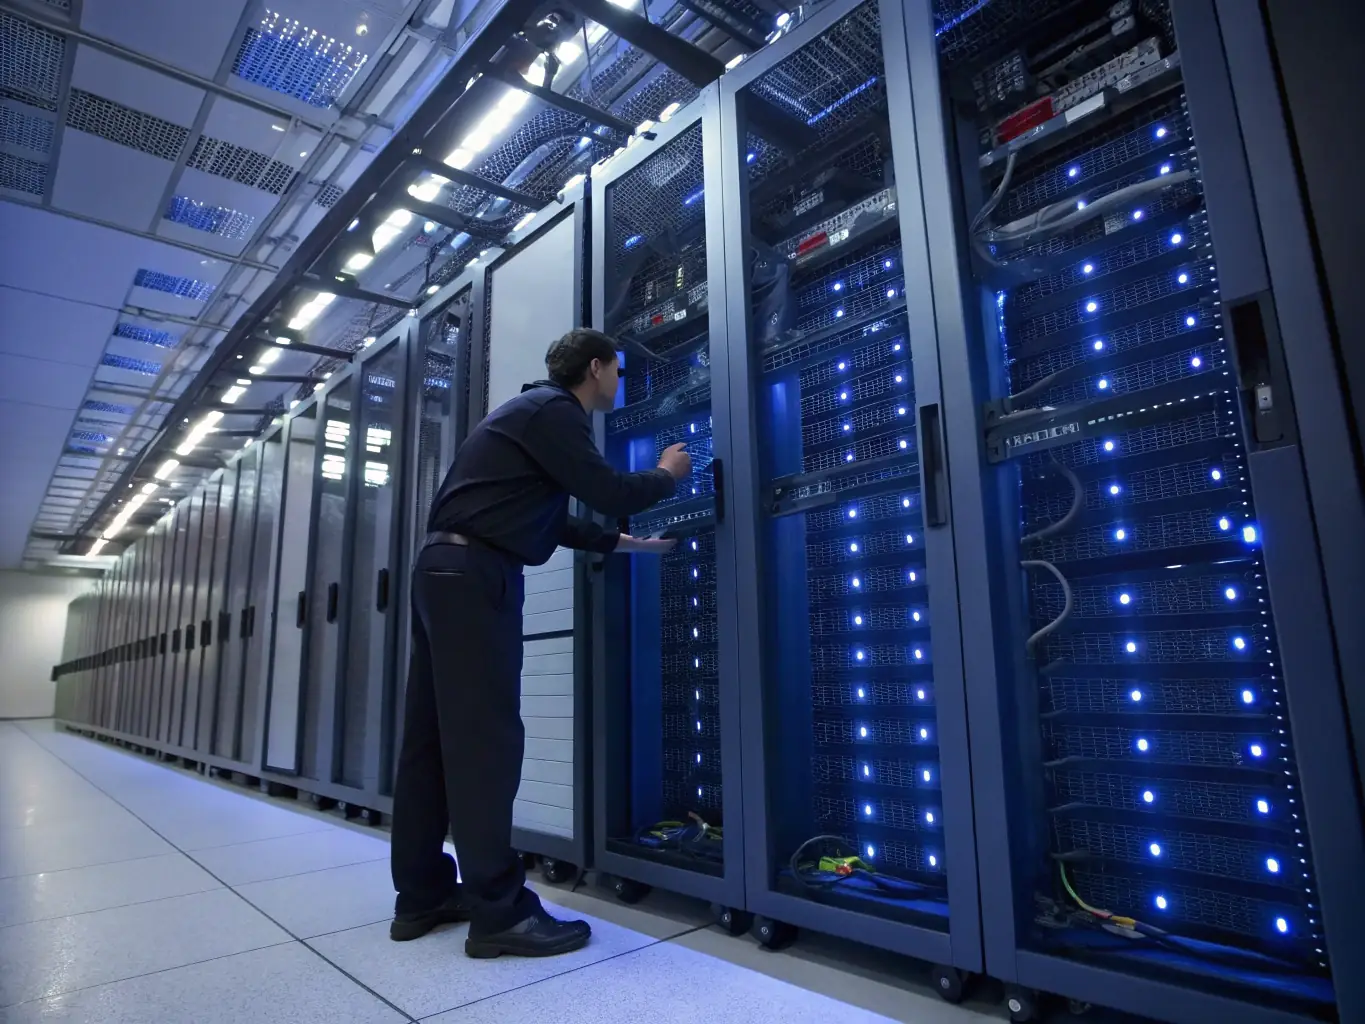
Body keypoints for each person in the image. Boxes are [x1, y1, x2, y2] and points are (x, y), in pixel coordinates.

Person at [388, 327, 690, 959]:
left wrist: (621, 543)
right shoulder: (557, 411)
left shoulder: (526, 414)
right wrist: (667, 475)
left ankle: (422, 895)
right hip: (476, 580)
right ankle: (499, 912)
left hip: (442, 571)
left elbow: (541, 515)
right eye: (618, 373)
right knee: (485, 746)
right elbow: (607, 490)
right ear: (598, 368)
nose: (619, 384)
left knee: (432, 744)